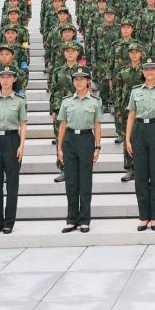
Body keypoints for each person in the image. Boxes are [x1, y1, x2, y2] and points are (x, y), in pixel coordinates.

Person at [125, 55, 155, 231]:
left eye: (152, 68)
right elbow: (131, 115)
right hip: (139, 131)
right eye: (146, 69)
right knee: (141, 175)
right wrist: (128, 138)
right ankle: (144, 216)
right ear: (142, 71)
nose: (149, 71)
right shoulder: (135, 91)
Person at [58, 66, 102, 233]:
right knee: (71, 182)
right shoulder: (66, 101)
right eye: (76, 79)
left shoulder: (95, 101)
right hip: (69, 140)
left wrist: (97, 146)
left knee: (85, 181)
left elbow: (97, 125)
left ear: (88, 81)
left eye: (82, 79)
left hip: (86, 139)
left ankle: (84, 220)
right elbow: (62, 125)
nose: (79, 82)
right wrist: (59, 148)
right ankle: (71, 220)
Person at [0, 67, 28, 234]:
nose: (6, 80)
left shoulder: (20, 100)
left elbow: (23, 124)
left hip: (12, 140)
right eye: (3, 77)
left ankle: (9, 222)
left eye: (9, 77)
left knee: (12, 184)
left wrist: (21, 145)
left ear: (14, 79)